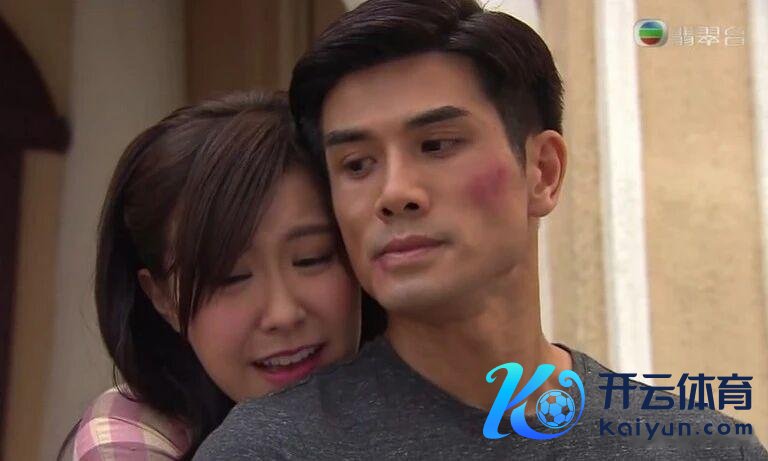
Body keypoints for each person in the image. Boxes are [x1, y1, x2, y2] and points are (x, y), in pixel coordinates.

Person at [194, 1, 767, 459]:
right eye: (357, 164)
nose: (394, 193)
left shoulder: (700, 447)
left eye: (437, 145)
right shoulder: (270, 449)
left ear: (543, 171)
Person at [66, 91, 385, 460]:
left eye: (311, 258)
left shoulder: (424, 389)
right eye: (229, 278)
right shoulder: (127, 438)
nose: (282, 314)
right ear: (163, 299)